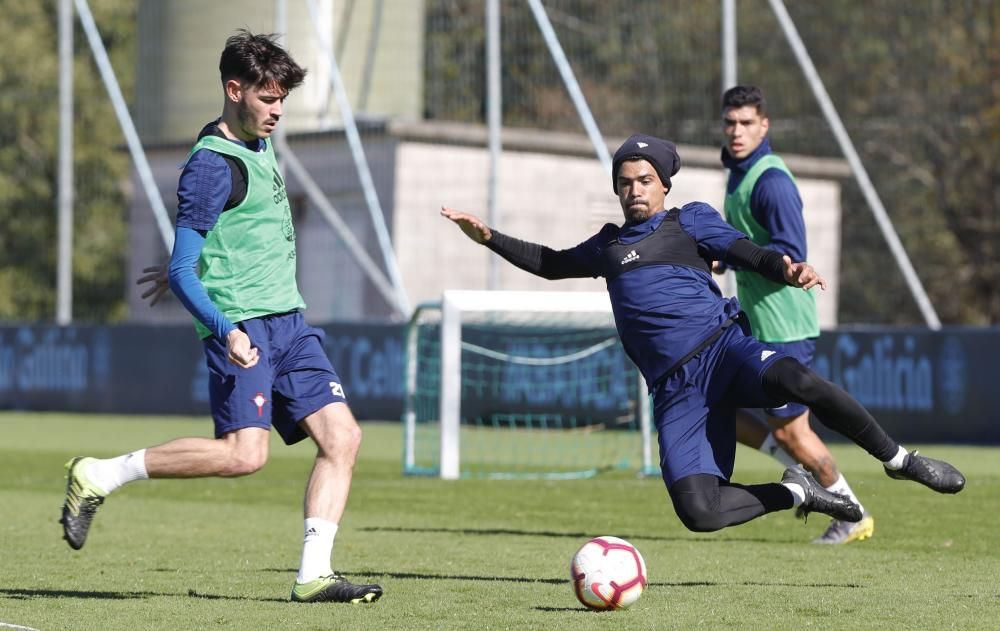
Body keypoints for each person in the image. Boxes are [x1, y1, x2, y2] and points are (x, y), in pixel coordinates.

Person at [441, 133, 965, 534]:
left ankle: (900, 460)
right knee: (699, 511)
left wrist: (787, 270)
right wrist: (487, 237)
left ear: (665, 184)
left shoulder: (690, 221)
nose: (633, 190)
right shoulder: (607, 246)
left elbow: (747, 253)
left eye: (644, 179)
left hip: (724, 351)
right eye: (624, 181)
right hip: (676, 388)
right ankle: (797, 494)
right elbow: (550, 263)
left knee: (799, 380)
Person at [59, 30, 382, 605]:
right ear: (235, 90)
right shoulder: (211, 166)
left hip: (291, 323)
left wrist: (194, 260)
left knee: (343, 438)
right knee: (244, 456)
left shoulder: (257, 142)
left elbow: (212, 244)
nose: (278, 111)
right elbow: (186, 271)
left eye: (282, 99)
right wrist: (224, 322)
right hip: (245, 328)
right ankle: (100, 474)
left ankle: (314, 576)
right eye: (268, 99)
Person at [718, 85, 874, 544]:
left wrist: (733, 257)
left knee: (793, 433)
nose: (737, 131)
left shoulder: (771, 181)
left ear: (764, 126)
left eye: (746, 123)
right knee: (714, 402)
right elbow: (746, 242)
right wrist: (721, 258)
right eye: (730, 122)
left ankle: (851, 512)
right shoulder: (740, 174)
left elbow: (790, 254)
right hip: (758, 322)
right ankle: (796, 469)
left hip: (784, 326)